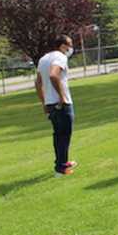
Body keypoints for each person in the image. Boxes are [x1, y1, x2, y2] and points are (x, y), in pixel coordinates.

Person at [35, 35, 77, 177]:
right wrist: (62, 97)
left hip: (50, 104)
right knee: (65, 135)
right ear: (62, 45)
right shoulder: (60, 57)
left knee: (58, 135)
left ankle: (61, 164)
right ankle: (61, 167)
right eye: (70, 44)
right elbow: (54, 75)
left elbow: (38, 83)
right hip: (61, 104)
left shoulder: (43, 59)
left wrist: (44, 102)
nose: (71, 47)